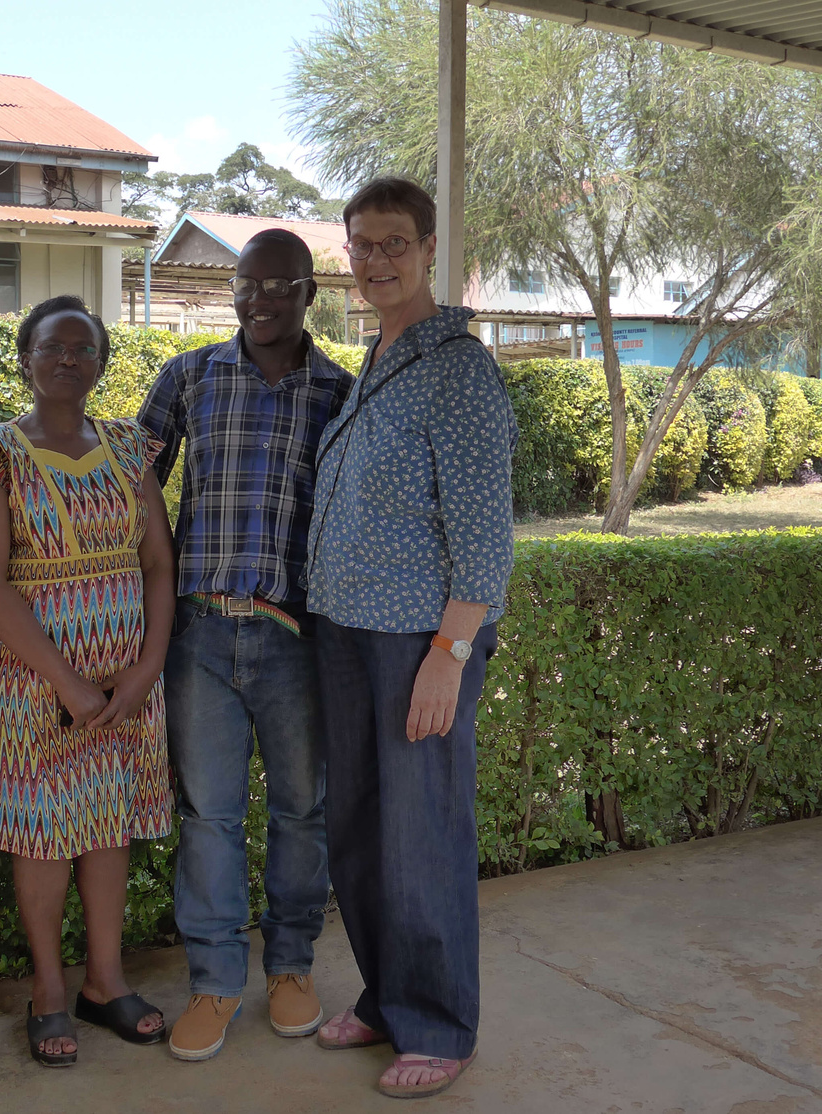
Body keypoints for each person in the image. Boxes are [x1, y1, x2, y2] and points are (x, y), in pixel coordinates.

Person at [305, 177, 516, 1099]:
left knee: (419, 832)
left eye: (395, 242)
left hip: (416, 643)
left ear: (430, 250)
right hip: (344, 631)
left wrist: (450, 654)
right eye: (362, 244)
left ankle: (439, 1022)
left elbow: (485, 534)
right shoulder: (379, 362)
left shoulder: (457, 367)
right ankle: (390, 999)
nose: (377, 259)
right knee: (357, 830)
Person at [137, 229, 355, 1062]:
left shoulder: (339, 391)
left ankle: (292, 966)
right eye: (244, 287)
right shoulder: (190, 375)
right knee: (209, 817)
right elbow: (130, 484)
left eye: (276, 287)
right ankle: (216, 981)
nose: (258, 302)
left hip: (297, 639)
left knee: (303, 811)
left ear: (309, 293)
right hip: (200, 636)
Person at [0, 295, 176, 1068]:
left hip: (126, 684)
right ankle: (49, 990)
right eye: (52, 347)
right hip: (35, 690)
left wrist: (146, 670)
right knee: (45, 836)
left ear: (102, 363)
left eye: (83, 349)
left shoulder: (130, 447)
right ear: (25, 357)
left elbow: (157, 563)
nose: (67, 360)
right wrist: (69, 685)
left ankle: (105, 982)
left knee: (108, 828)